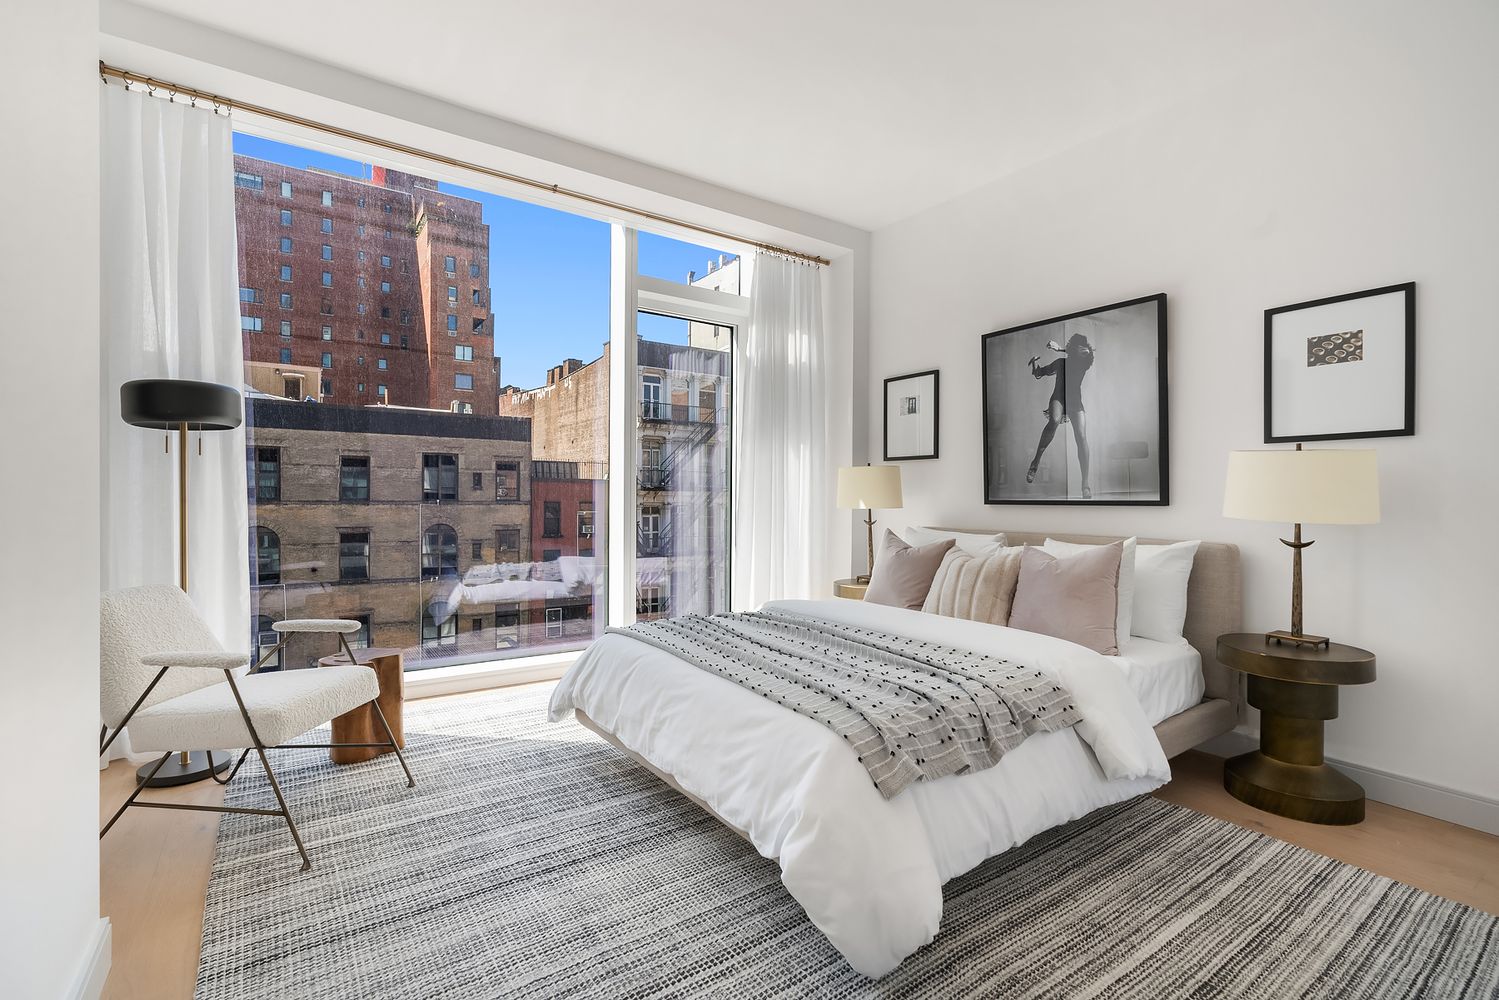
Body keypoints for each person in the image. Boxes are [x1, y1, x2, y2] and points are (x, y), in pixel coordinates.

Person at [1025, 333, 1096, 498]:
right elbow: (1039, 373)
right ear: (1073, 349)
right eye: (1078, 348)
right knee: (1054, 420)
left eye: (1083, 349)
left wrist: (1059, 349)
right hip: (1058, 399)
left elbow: (1090, 353)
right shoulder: (1061, 362)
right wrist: (1034, 364)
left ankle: (1085, 484)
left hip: (1075, 402)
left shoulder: (1084, 363)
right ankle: (1035, 463)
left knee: (1081, 437)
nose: (1082, 351)